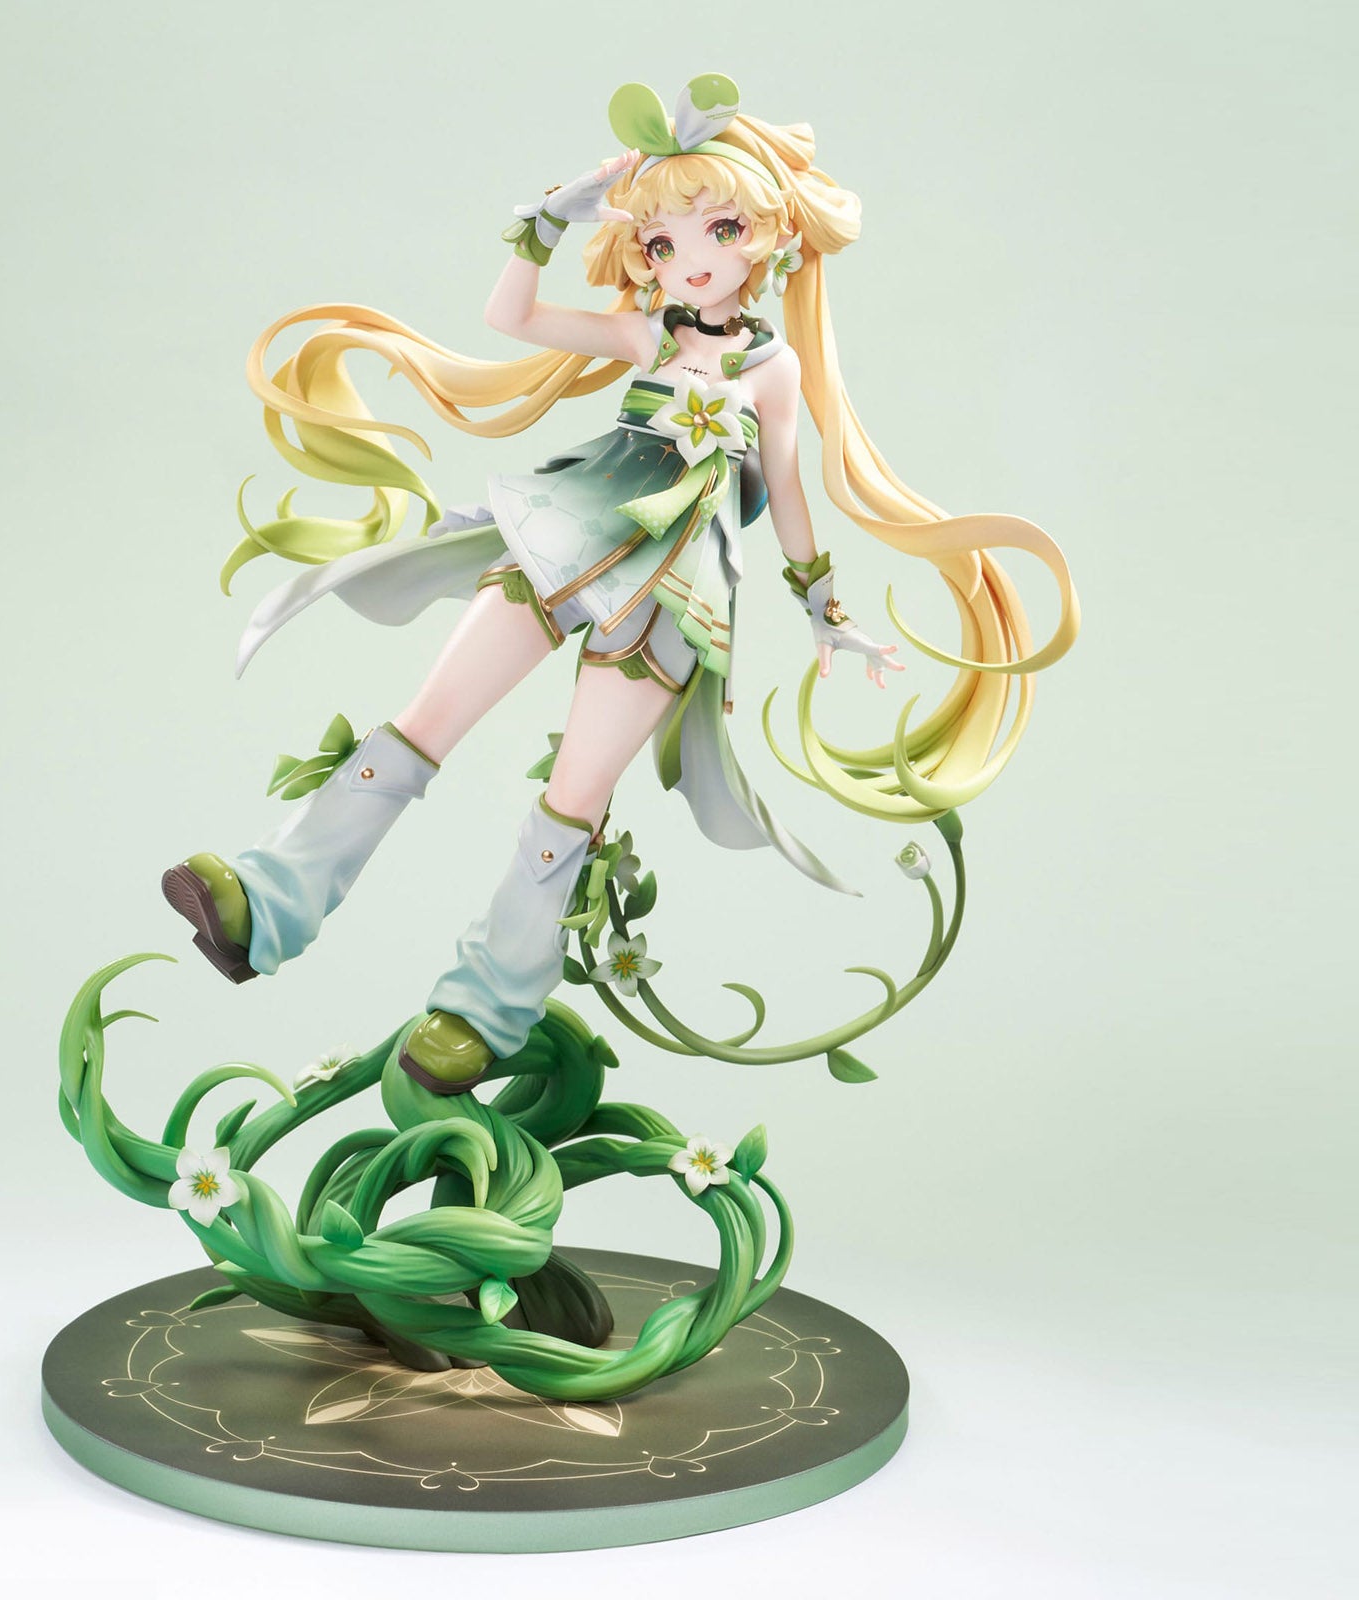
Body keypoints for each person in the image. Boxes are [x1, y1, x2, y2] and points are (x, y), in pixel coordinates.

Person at [160, 74, 1078, 1097]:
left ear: (767, 236)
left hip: (675, 595)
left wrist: (826, 612)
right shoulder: (648, 335)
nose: (692, 260)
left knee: (573, 797)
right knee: (426, 720)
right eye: (662, 242)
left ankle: (483, 1011)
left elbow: (786, 489)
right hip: (567, 533)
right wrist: (549, 217)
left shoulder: (772, 372)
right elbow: (509, 314)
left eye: (718, 230)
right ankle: (267, 903)